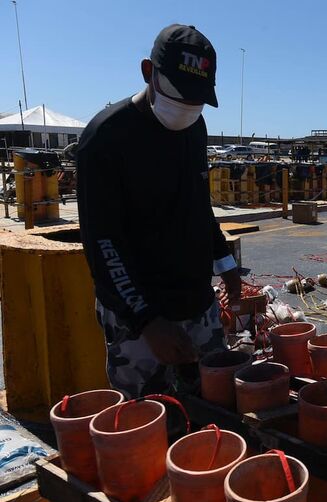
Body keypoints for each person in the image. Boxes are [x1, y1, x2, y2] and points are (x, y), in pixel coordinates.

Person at [77, 24, 241, 398]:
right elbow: (103, 243)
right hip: (138, 315)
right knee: (148, 421)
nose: (186, 109)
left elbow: (198, 204)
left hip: (196, 300)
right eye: (179, 96)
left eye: (196, 100)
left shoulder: (195, 128)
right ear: (149, 73)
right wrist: (148, 321)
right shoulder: (105, 139)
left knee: (216, 404)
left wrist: (225, 265)